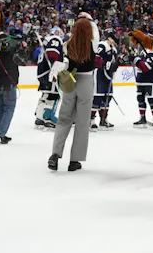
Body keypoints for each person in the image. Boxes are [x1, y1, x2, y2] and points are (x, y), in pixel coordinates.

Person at [48, 16, 99, 172]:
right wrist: (88, 19)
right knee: (82, 123)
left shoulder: (67, 45)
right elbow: (95, 30)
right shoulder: (93, 44)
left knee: (64, 119)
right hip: (86, 82)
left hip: (70, 82)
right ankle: (74, 160)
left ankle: (55, 154)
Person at [130, 29, 153, 128]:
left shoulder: (150, 53)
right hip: (141, 80)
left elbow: (146, 67)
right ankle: (142, 118)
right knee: (140, 99)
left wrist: (136, 60)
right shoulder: (142, 52)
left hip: (150, 80)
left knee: (152, 99)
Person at [34, 34, 63, 129]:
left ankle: (39, 117)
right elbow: (52, 54)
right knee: (53, 95)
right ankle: (48, 117)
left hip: (42, 73)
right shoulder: (55, 39)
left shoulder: (46, 41)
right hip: (49, 73)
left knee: (45, 95)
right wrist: (57, 67)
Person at [91, 30, 118, 131]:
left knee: (107, 97)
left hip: (108, 76)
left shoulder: (113, 49)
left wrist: (115, 65)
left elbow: (114, 62)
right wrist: (106, 65)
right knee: (97, 98)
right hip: (99, 74)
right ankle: (91, 120)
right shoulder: (102, 45)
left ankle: (103, 120)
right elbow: (96, 58)